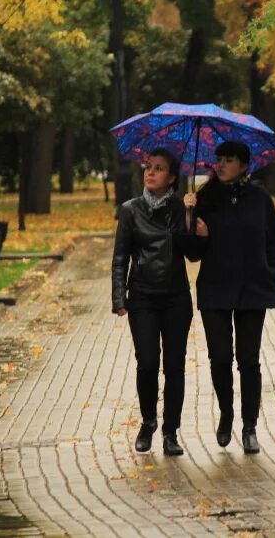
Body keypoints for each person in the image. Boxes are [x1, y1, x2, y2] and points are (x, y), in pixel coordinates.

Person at [182, 141, 275, 454]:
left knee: (249, 361)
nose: (222, 165)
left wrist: (274, 278)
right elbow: (192, 254)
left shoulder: (260, 198)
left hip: (253, 290)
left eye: (229, 160)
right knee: (220, 358)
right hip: (215, 290)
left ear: (243, 165)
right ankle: (226, 414)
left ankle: (249, 426)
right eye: (219, 160)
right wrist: (190, 220)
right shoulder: (205, 198)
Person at [111, 148, 193, 456]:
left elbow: (193, 253)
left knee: (175, 367)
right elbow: (120, 258)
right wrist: (119, 297)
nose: (150, 172)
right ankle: (148, 423)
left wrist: (187, 216)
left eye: (159, 168)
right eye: (148, 167)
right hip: (142, 297)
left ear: (171, 178)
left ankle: (171, 432)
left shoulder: (179, 207)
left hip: (175, 299)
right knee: (147, 364)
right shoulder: (130, 210)